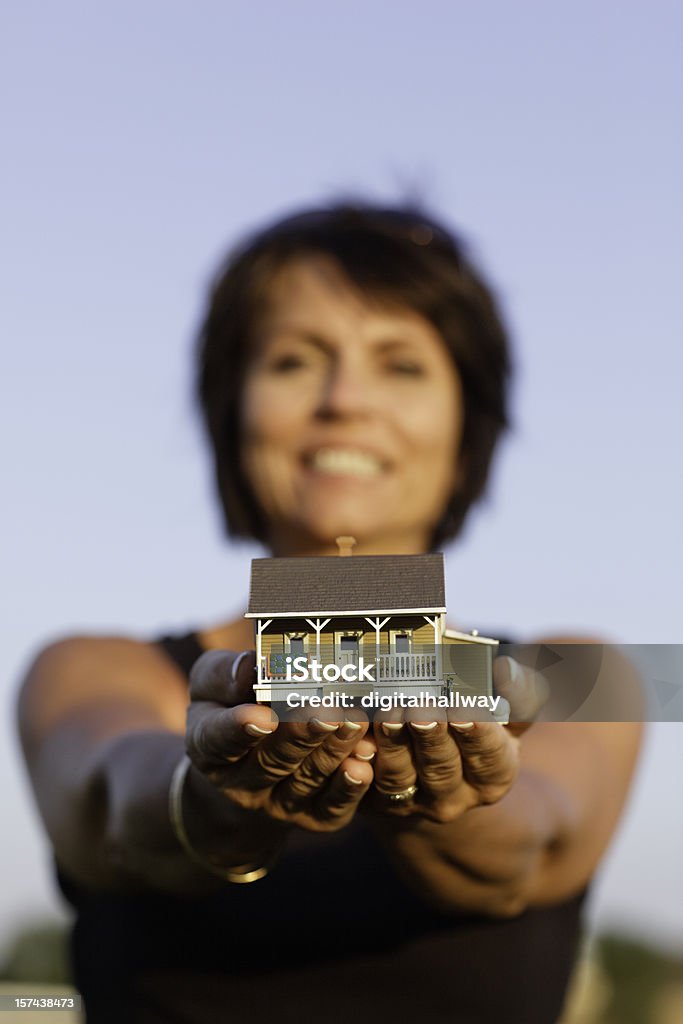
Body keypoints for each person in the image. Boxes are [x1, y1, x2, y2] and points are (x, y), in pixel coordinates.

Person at [17, 203, 642, 1024]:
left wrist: (440, 792)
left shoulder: (582, 668)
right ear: (231, 408)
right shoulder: (88, 665)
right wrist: (210, 802)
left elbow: (530, 845)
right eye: (293, 361)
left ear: (467, 424)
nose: (345, 399)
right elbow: (115, 800)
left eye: (402, 365)